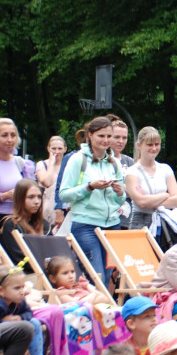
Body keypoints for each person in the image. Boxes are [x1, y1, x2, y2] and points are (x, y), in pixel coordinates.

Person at [57, 116, 125, 278]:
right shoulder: (78, 159)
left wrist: (119, 192)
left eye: (109, 136)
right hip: (86, 224)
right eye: (101, 136)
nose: (106, 140)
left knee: (108, 275)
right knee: (96, 275)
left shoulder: (114, 162)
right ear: (90, 136)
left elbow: (120, 200)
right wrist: (89, 187)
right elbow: (64, 194)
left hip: (112, 225)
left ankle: (101, 303)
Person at [125, 126, 177, 240]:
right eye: (149, 145)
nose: (154, 148)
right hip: (140, 222)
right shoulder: (132, 172)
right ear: (139, 145)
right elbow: (141, 202)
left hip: (163, 221)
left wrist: (151, 201)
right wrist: (165, 195)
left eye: (157, 144)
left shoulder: (165, 169)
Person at [0, 179, 46, 266]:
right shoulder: (11, 225)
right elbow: (19, 259)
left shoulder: (45, 224)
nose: (37, 202)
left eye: (39, 197)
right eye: (31, 197)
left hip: (48, 271)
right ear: (20, 199)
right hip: (23, 273)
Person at [36, 135, 66, 233]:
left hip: (62, 210)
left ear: (65, 149)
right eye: (53, 148)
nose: (57, 151)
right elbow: (47, 182)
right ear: (48, 149)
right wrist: (52, 164)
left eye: (60, 148)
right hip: (44, 210)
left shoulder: (68, 166)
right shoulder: (41, 165)